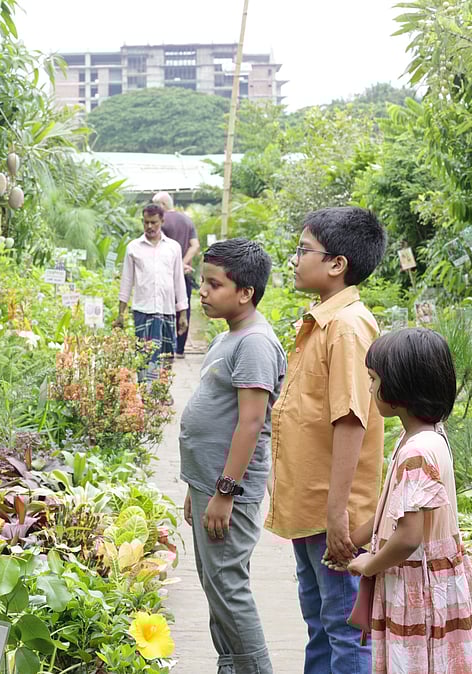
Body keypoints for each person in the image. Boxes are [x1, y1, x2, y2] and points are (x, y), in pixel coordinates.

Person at [264, 206, 388, 673]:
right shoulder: (323, 321)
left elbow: (351, 421)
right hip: (311, 509)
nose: (295, 259)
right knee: (320, 623)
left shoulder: (347, 327)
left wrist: (338, 515)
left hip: (333, 516)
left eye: (304, 250)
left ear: (337, 264)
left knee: (344, 629)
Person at [342, 328, 472, 673]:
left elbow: (408, 537)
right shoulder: (428, 436)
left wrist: (370, 564)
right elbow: (393, 511)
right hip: (432, 580)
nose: (370, 388)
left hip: (417, 588)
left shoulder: (417, 452)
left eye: (374, 379)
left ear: (400, 388)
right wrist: (353, 542)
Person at [179, 238, 286, 673]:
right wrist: (197, 486)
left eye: (214, 284)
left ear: (246, 292)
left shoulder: (255, 343)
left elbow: (251, 423)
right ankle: (233, 666)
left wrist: (225, 491)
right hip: (209, 485)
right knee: (215, 585)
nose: (202, 292)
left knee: (228, 586)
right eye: (203, 282)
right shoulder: (230, 336)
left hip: (229, 491)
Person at [114, 204, 188, 380]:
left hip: (167, 310)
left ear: (162, 221)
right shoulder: (133, 248)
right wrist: (120, 314)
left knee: (166, 356)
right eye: (146, 222)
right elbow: (126, 281)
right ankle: (144, 391)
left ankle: (162, 389)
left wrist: (183, 314)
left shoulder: (173, 248)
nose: (149, 226)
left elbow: (178, 280)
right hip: (143, 311)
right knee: (144, 356)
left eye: (154, 222)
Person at [153, 192, 201, 358]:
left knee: (164, 307)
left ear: (163, 205)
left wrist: (176, 265)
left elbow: (158, 245)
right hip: (185, 273)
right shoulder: (187, 220)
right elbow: (195, 245)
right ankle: (180, 348)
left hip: (165, 273)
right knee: (183, 306)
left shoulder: (162, 221)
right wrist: (183, 263)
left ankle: (165, 346)